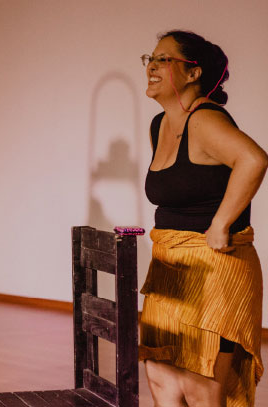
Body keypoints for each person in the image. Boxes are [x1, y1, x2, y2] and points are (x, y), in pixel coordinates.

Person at [140, 30, 267, 406]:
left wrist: (221, 224)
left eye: (164, 59)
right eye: (150, 58)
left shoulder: (204, 120)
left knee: (200, 388)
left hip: (213, 269)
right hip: (168, 268)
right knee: (162, 380)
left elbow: (253, 159)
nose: (152, 66)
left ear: (193, 73)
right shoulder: (159, 124)